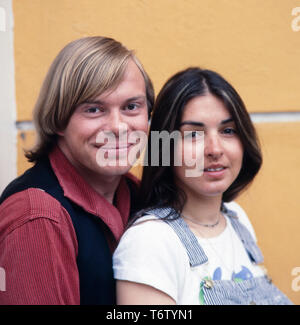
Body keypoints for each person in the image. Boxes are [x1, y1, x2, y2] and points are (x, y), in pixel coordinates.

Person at [113, 67, 293, 305]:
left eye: (228, 131)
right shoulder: (150, 241)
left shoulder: (237, 220)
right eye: (194, 135)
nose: (215, 149)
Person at [0, 36, 154, 305]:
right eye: (94, 109)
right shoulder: (38, 216)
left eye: (131, 107)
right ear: (59, 119)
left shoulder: (136, 193)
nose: (118, 127)